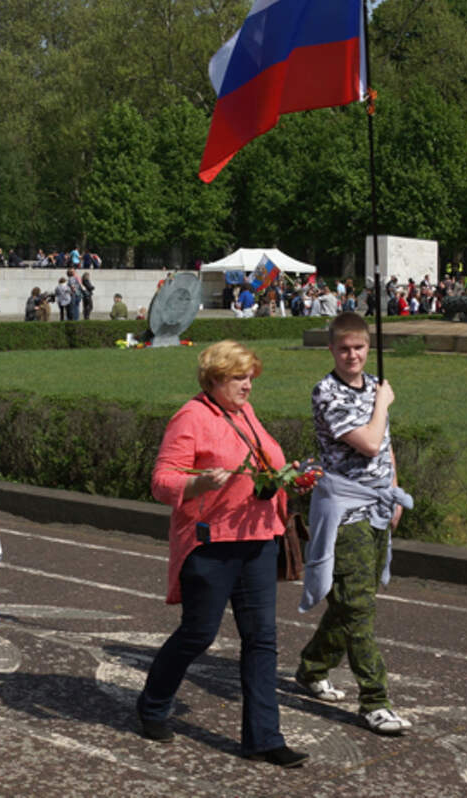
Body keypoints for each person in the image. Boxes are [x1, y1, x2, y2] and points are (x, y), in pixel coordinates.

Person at [136, 340, 307, 768]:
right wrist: (197, 485)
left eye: (251, 376)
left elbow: (263, 463)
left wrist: (293, 479)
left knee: (262, 639)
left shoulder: (243, 412)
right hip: (212, 544)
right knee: (198, 634)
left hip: (258, 539)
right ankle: (153, 705)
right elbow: (161, 481)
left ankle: (264, 738)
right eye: (238, 378)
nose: (248, 385)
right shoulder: (190, 417)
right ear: (213, 380)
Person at [296, 312, 412, 736]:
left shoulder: (375, 386)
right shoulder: (327, 392)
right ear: (331, 349)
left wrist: (395, 489)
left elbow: (386, 446)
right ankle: (375, 701)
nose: (353, 356)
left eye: (359, 348)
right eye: (344, 349)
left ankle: (312, 667)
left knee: (349, 600)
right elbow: (367, 443)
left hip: (379, 506)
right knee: (359, 608)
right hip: (346, 512)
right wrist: (382, 404)